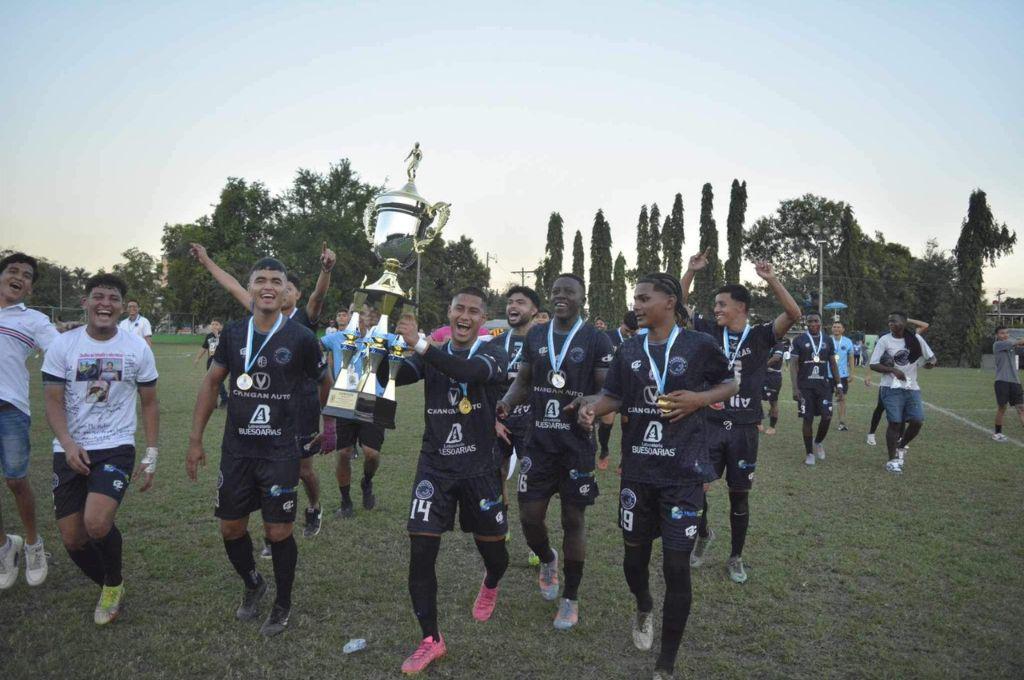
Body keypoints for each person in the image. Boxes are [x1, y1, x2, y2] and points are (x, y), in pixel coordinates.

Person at [577, 273, 737, 680]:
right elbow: (615, 396)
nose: (637, 305)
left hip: (683, 476)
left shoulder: (699, 345)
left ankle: (666, 663)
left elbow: (730, 383)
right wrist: (594, 406)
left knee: (676, 567)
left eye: (644, 298)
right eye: (636, 299)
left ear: (670, 301)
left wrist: (699, 399)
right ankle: (644, 606)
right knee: (634, 560)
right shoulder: (629, 348)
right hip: (638, 474)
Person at [186, 257, 331, 636]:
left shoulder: (301, 337)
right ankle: (253, 583)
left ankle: (283, 602)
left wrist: (321, 423)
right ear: (250, 288)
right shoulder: (234, 334)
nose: (268, 286)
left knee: (278, 532)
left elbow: (324, 379)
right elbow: (212, 384)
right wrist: (195, 440)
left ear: (286, 291)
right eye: (260, 280)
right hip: (237, 451)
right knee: (231, 529)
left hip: (281, 451)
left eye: (276, 281)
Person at [391, 288, 510, 674]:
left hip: (481, 471)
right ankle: (431, 639)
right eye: (459, 307)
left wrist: (422, 344)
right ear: (449, 312)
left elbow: (467, 373)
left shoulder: (494, 353)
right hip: (435, 468)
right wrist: (376, 343)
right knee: (421, 552)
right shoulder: (430, 353)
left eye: (474, 311)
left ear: (482, 319)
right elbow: (391, 376)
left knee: (495, 555)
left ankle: (491, 581)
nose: (465, 315)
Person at [190, 242, 335, 539]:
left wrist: (325, 270)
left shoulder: (303, 321)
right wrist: (207, 261)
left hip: (302, 405)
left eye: (285, 286)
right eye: (264, 282)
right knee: (264, 471)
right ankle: (273, 533)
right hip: (267, 406)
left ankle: (314, 506)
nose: (274, 290)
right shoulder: (259, 310)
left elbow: (319, 295)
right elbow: (232, 286)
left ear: (290, 293)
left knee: (303, 470)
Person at [497, 274, 614, 630]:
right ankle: (547, 559)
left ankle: (570, 598)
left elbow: (606, 389)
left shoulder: (596, 338)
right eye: (556, 291)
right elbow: (525, 379)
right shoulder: (536, 335)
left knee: (573, 521)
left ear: (583, 297)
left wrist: (589, 405)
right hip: (539, 441)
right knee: (530, 516)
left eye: (569, 292)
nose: (561, 296)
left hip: (576, 445)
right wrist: (504, 403)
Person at [42, 273, 159, 624]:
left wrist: (152, 453)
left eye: (113, 298)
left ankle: (112, 585)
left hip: (116, 446)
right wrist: (67, 442)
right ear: (86, 302)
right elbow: (52, 401)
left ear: (122, 307)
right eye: (98, 297)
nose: (105, 304)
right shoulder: (63, 346)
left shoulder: (137, 348)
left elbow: (150, 403)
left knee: (96, 523)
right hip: (70, 449)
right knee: (73, 539)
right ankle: (112, 582)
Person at [681, 252, 801, 583]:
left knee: (739, 495)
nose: (716, 309)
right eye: (715, 305)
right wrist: (690, 272)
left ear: (741, 308)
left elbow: (793, 313)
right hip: (709, 425)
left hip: (744, 429)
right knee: (697, 488)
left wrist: (772, 279)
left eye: (722, 304)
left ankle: (735, 556)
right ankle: (703, 534)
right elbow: (677, 306)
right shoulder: (706, 330)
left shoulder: (761, 335)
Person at [0, 253, 60, 590]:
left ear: (30, 289)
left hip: (10, 410)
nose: (19, 277)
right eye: (13, 271)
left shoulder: (33, 320)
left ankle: (33, 544)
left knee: (16, 481)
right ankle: (5, 548)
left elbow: (60, 350)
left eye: (26, 275)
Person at [320, 302, 387, 518]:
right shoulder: (335, 338)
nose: (357, 317)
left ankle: (367, 483)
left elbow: (410, 346)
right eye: (352, 313)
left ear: (371, 317)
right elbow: (308, 346)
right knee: (343, 454)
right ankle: (346, 501)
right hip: (344, 399)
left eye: (362, 314)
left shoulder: (381, 338)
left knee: (372, 454)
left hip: (372, 399)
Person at [492, 286, 540, 562]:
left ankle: (535, 542)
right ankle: (503, 523)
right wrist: (492, 419)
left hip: (531, 422)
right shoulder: (497, 343)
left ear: (534, 310)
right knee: (495, 474)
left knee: (531, 482)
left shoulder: (544, 343)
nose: (513, 306)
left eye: (520, 302)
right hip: (499, 420)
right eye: (510, 302)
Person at [869, 311, 936, 473]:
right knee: (895, 422)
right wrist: (892, 370)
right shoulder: (884, 340)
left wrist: (930, 364)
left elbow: (932, 358)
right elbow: (873, 364)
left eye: (895, 321)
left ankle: (901, 445)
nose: (891, 323)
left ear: (904, 323)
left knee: (917, 420)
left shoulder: (915, 339)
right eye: (889, 321)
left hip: (911, 386)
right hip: (890, 387)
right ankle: (892, 460)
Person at [790, 313, 843, 466]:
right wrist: (795, 388)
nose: (813, 323)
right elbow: (793, 365)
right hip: (805, 387)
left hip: (824, 386)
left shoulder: (827, 340)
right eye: (810, 321)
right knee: (808, 419)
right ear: (806, 323)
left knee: (827, 417)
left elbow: (832, 364)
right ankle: (809, 453)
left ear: (821, 323)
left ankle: (818, 441)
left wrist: (838, 385)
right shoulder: (799, 340)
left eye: (816, 321)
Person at [866, 318, 929, 446]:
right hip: (889, 382)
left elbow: (925, 325)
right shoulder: (886, 337)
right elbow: (875, 359)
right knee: (880, 408)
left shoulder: (912, 337)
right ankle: (871, 433)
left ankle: (900, 439)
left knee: (902, 413)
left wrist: (907, 319)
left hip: (906, 383)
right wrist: (869, 374)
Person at [597, 311, 638, 470]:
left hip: (631, 388)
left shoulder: (639, 339)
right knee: (607, 423)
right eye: (627, 331)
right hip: (612, 388)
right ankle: (604, 450)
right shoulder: (606, 336)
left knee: (627, 424)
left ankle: (624, 457)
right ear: (622, 322)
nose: (629, 334)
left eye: (632, 332)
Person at [992, 327, 1024, 441]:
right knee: (1002, 408)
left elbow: (1020, 346)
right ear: (997, 335)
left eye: (1006, 333)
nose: (1005, 335)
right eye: (1002, 333)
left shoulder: (1011, 347)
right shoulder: (998, 345)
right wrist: (1019, 342)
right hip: (1002, 381)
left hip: (1015, 382)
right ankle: (997, 433)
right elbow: (1018, 342)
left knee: (1021, 408)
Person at [193, 319, 228, 407]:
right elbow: (204, 348)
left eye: (216, 324)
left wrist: (217, 336)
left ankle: (224, 399)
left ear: (221, 326)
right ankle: (214, 402)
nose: (214, 326)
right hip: (211, 361)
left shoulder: (225, 335)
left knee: (218, 381)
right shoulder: (209, 336)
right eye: (212, 324)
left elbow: (225, 346)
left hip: (222, 362)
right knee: (211, 382)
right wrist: (197, 358)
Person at [831, 322, 856, 431]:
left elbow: (851, 358)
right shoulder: (827, 340)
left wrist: (852, 373)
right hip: (828, 374)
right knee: (826, 398)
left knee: (841, 398)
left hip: (842, 375)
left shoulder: (848, 341)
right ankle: (825, 419)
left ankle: (842, 422)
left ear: (843, 329)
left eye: (838, 327)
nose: (836, 328)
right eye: (834, 327)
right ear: (832, 329)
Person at [761, 338, 789, 435]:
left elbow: (776, 358)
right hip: (761, 375)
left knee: (773, 402)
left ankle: (772, 427)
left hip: (773, 377)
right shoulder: (763, 343)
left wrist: (761, 367)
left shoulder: (778, 344)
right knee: (755, 398)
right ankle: (758, 422)